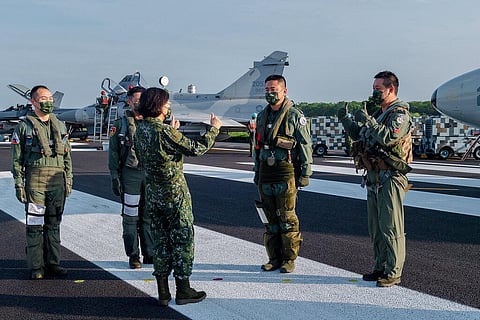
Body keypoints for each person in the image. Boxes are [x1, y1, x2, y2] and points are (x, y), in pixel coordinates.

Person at [135, 87, 222, 306]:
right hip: (174, 195)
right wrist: (214, 130)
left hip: (153, 194)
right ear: (158, 105)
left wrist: (172, 132)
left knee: (161, 242)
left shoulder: (140, 130)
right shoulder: (163, 132)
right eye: (166, 103)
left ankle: (163, 291)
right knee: (182, 240)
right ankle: (183, 290)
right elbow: (195, 148)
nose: (168, 106)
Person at [338, 71, 412, 287]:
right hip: (374, 176)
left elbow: (389, 136)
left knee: (391, 226)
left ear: (391, 89)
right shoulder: (380, 114)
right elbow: (362, 135)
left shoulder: (399, 114)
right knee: (376, 227)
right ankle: (380, 266)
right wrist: (346, 120)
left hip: (390, 177)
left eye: (378, 89)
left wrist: (368, 121)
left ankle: (393, 271)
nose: (374, 93)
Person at [11, 85, 73, 280]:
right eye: (43, 98)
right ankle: (37, 266)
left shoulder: (60, 125)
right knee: (35, 225)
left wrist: (69, 179)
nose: (48, 101)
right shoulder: (24, 127)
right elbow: (16, 159)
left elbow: (67, 157)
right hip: (35, 182)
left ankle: (53, 263)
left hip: (57, 182)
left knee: (54, 224)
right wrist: (19, 184)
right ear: (34, 101)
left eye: (50, 98)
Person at [253, 75, 313, 274]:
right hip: (266, 174)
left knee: (287, 218)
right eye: (267, 89)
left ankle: (289, 259)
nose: (270, 93)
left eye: (274, 89)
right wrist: (256, 171)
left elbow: (305, 145)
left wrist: (305, 172)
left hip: (285, 173)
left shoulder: (295, 116)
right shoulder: (262, 116)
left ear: (284, 91)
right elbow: (257, 146)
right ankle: (274, 258)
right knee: (270, 220)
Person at [108, 86, 154, 269]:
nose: (139, 103)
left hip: (150, 175)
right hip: (131, 175)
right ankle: (133, 255)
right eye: (136, 100)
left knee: (149, 216)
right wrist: (114, 176)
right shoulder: (120, 125)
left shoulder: (153, 123)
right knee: (130, 217)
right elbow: (113, 153)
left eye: (142, 100)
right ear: (129, 101)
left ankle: (150, 253)